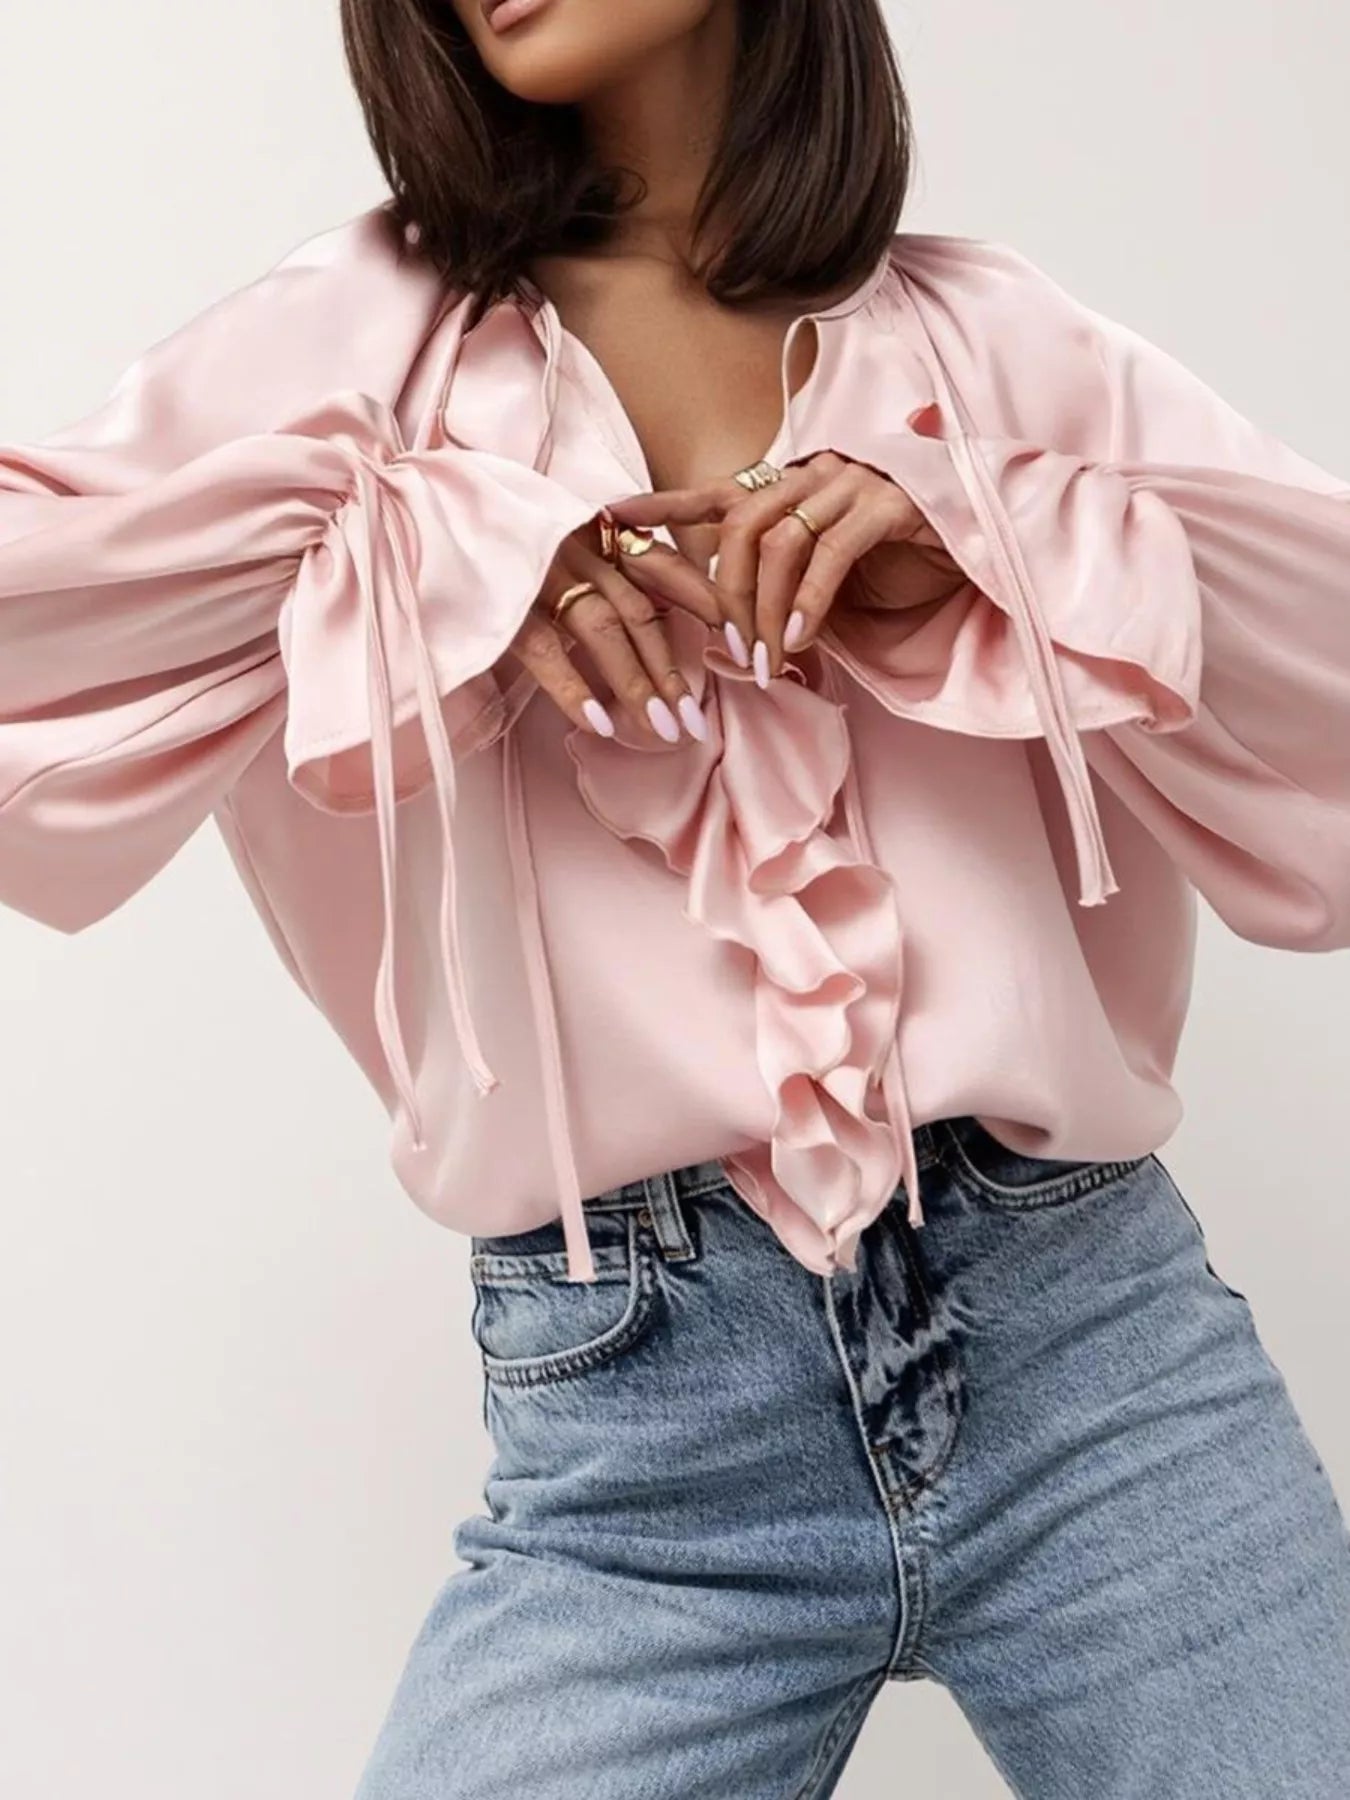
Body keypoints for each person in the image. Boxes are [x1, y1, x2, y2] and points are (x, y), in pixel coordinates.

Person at [3, 0, 1349, 1793]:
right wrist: (425, 542)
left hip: (1102, 1369)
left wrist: (988, 526)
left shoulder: (986, 337)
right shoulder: (347, 350)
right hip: (637, 1443)